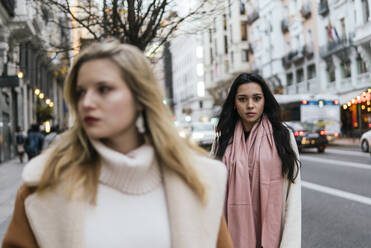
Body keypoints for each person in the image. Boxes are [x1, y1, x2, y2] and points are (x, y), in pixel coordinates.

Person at [3, 39, 233, 248]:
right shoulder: (44, 183)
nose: (87, 102)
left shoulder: (196, 180)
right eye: (81, 92)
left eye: (103, 89)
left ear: (140, 97)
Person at [211, 73, 301, 248]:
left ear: (265, 101)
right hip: (231, 233)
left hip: (273, 233)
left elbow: (293, 193)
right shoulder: (222, 139)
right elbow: (213, 188)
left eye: (257, 98)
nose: (250, 105)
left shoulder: (282, 135)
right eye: (243, 99)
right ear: (235, 104)